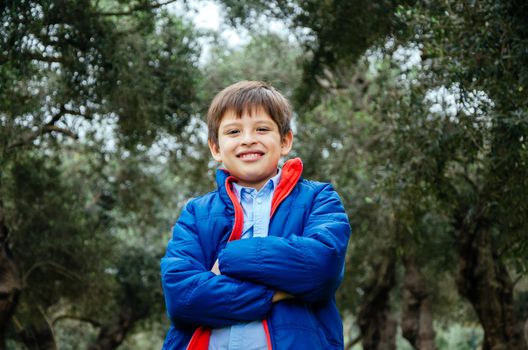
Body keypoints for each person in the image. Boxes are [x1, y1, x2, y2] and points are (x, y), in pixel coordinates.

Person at [160, 81, 351, 350]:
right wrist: (276, 292)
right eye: (234, 131)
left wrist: (227, 259)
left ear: (285, 141)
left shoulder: (318, 199)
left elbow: (321, 266)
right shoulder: (196, 213)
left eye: (262, 129)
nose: (248, 139)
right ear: (216, 148)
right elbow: (183, 299)